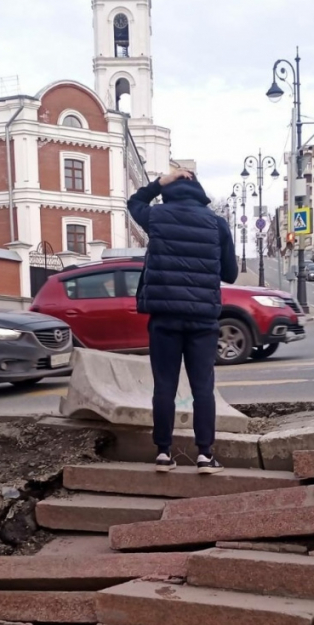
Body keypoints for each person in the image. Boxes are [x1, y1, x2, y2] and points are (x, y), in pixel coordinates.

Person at [128, 168, 238, 475]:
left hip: (164, 317)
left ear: (169, 190)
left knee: (164, 385)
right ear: (200, 192)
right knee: (203, 387)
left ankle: (163, 453)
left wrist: (159, 182)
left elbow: (134, 201)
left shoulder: (157, 217)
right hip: (203, 318)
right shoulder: (217, 224)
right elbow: (229, 273)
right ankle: (205, 455)